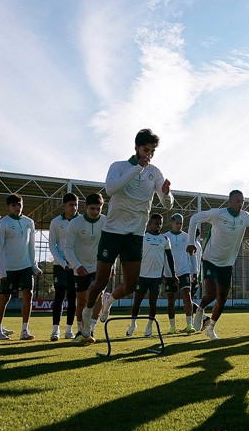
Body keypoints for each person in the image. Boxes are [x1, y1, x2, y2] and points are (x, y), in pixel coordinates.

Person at [86, 129, 174, 328]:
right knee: (100, 282)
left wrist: (167, 194)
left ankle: (108, 300)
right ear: (136, 148)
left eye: (152, 151)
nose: (149, 155)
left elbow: (167, 203)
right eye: (145, 150)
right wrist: (137, 168)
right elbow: (110, 189)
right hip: (112, 232)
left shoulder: (155, 172)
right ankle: (87, 322)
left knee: (131, 285)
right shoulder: (118, 166)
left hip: (135, 235)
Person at [187, 189, 249, 339]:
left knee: (222, 298)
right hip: (210, 260)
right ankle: (200, 310)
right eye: (237, 201)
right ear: (229, 201)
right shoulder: (218, 214)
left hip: (227, 264)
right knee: (211, 294)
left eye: (242, 201)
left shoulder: (244, 217)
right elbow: (194, 218)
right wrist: (190, 242)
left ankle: (211, 328)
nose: (240, 204)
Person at [0, 194, 41, 340]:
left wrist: (34, 266)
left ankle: (24, 331)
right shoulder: (3, 223)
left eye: (19, 204)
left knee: (28, 294)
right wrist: (2, 271)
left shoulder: (29, 222)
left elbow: (32, 246)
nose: (17, 207)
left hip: (26, 266)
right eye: (14, 205)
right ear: (9, 207)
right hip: (9, 268)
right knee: (4, 298)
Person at [63, 193, 107, 344]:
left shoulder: (105, 221)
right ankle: (81, 331)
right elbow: (67, 248)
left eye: (98, 209)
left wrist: (111, 265)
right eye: (92, 208)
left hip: (99, 266)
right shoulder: (75, 223)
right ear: (85, 207)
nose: (95, 212)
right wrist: (77, 265)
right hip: (80, 267)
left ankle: (90, 329)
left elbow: (111, 245)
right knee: (82, 300)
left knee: (98, 296)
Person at [127, 213, 177, 337]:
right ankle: (132, 324)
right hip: (142, 276)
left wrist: (174, 274)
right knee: (137, 301)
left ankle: (149, 327)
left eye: (160, 224)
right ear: (149, 224)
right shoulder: (143, 237)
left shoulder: (165, 239)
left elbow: (170, 258)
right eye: (156, 223)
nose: (158, 226)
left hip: (156, 277)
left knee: (153, 303)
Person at [48, 192, 79, 341]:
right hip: (60, 266)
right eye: (71, 205)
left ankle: (69, 329)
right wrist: (63, 263)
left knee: (73, 297)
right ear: (64, 206)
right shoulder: (55, 222)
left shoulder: (81, 220)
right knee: (59, 296)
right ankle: (55, 330)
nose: (74, 208)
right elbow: (52, 245)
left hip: (76, 266)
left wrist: (75, 263)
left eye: (76, 205)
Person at [162, 213, 197, 333]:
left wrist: (195, 272)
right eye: (177, 223)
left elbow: (192, 256)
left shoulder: (187, 237)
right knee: (171, 299)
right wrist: (162, 273)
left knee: (187, 296)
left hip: (184, 271)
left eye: (181, 224)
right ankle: (172, 327)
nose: (179, 226)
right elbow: (162, 256)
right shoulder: (165, 237)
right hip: (169, 273)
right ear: (172, 223)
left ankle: (189, 325)